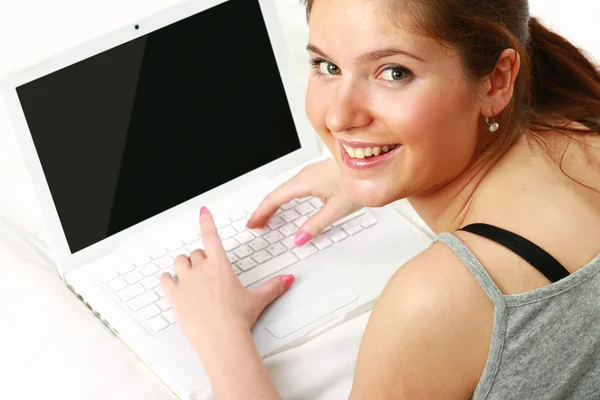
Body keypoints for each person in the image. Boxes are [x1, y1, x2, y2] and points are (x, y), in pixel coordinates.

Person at [160, 0, 600, 398]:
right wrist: (365, 162)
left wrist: (222, 339)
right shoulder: (581, 125)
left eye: (394, 73)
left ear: (497, 80)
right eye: (326, 66)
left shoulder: (440, 298)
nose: (338, 116)